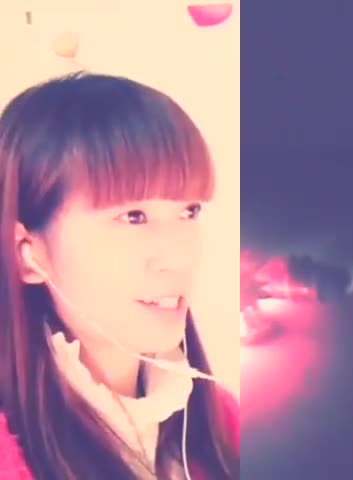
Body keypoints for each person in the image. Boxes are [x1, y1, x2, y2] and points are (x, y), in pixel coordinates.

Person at [0, 71, 239, 479]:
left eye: (189, 211)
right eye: (133, 216)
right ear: (27, 253)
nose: (179, 257)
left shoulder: (224, 421)